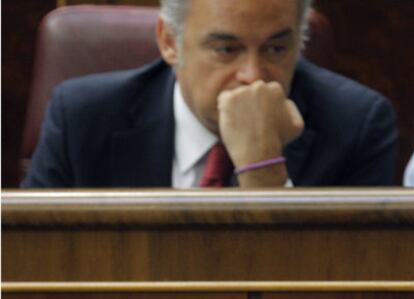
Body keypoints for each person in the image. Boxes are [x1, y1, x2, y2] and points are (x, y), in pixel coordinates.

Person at [22, 0, 397, 189]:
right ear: (170, 42)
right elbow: (26, 274)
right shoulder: (82, 119)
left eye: (276, 49)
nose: (252, 75)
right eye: (226, 49)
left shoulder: (357, 126)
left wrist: (264, 172)